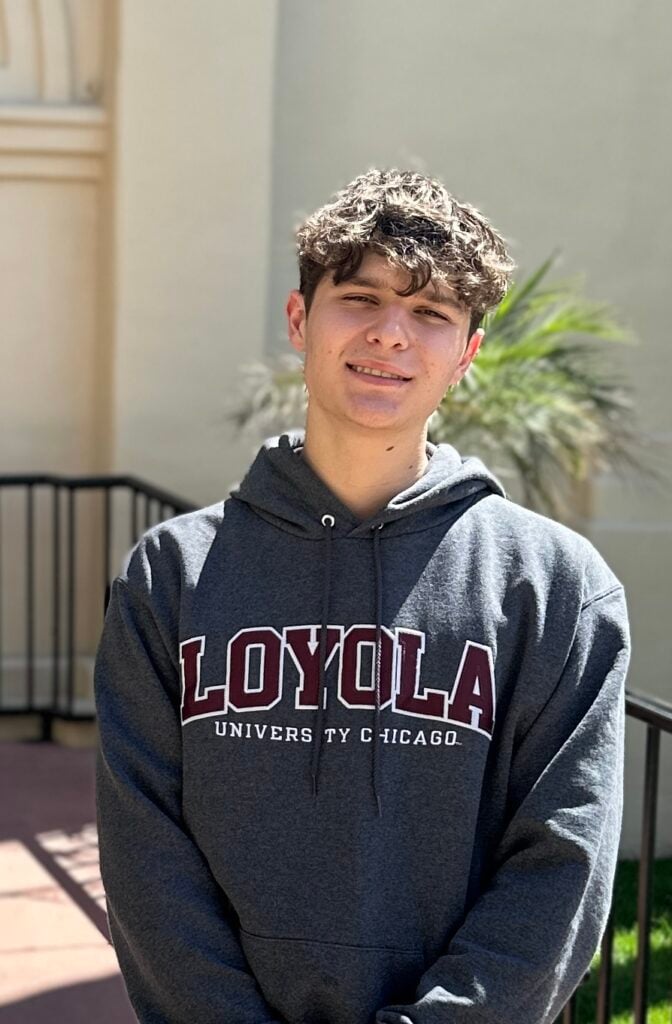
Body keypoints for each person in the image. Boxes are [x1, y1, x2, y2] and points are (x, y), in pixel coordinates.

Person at [94, 168, 630, 1024]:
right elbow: (143, 847)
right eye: (361, 298)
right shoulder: (171, 575)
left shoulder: (556, 587)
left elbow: (563, 861)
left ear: (467, 355)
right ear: (301, 319)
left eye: (430, 314)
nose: (391, 335)